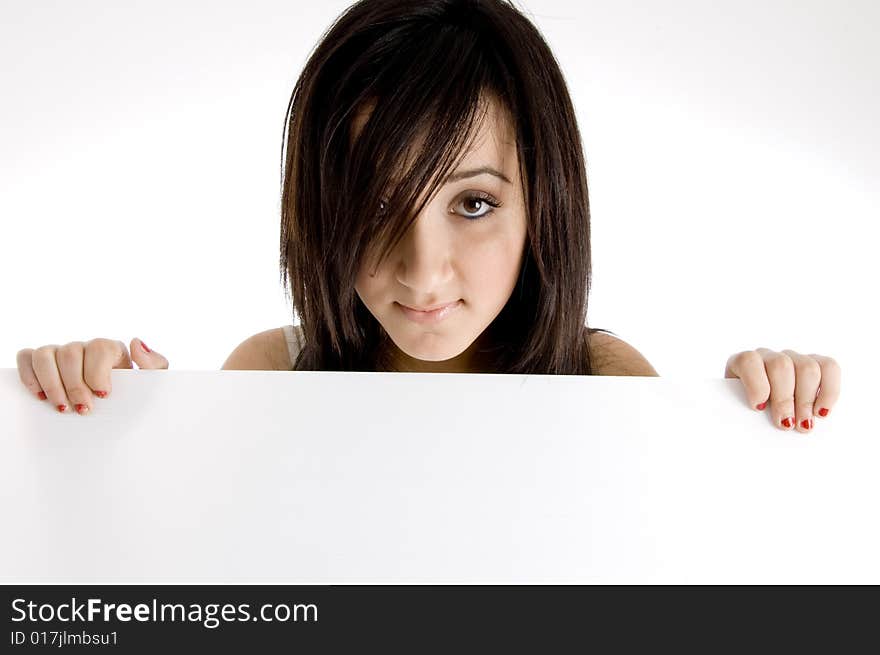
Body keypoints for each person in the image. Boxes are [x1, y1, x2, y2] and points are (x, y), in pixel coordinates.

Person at [14, 0, 840, 434]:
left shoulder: (603, 380)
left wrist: (763, 417)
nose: (421, 267)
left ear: (542, 203)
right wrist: (118, 433)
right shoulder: (270, 371)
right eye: (375, 202)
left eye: (473, 203)